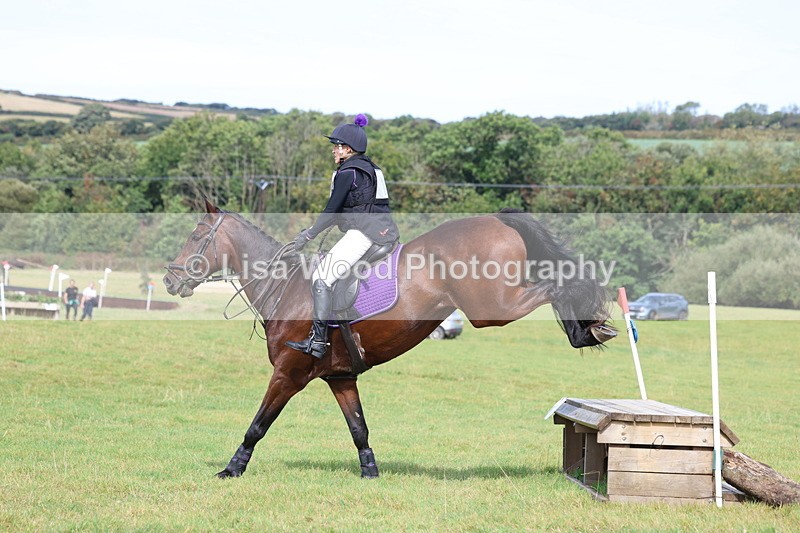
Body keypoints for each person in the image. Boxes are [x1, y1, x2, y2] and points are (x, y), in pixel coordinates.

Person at [286, 114, 399, 359]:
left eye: (336, 147)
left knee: (321, 278)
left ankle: (317, 341)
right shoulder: (371, 168)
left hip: (365, 234)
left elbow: (332, 210)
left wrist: (308, 235)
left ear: (347, 149)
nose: (333, 151)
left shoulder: (347, 172)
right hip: (381, 230)